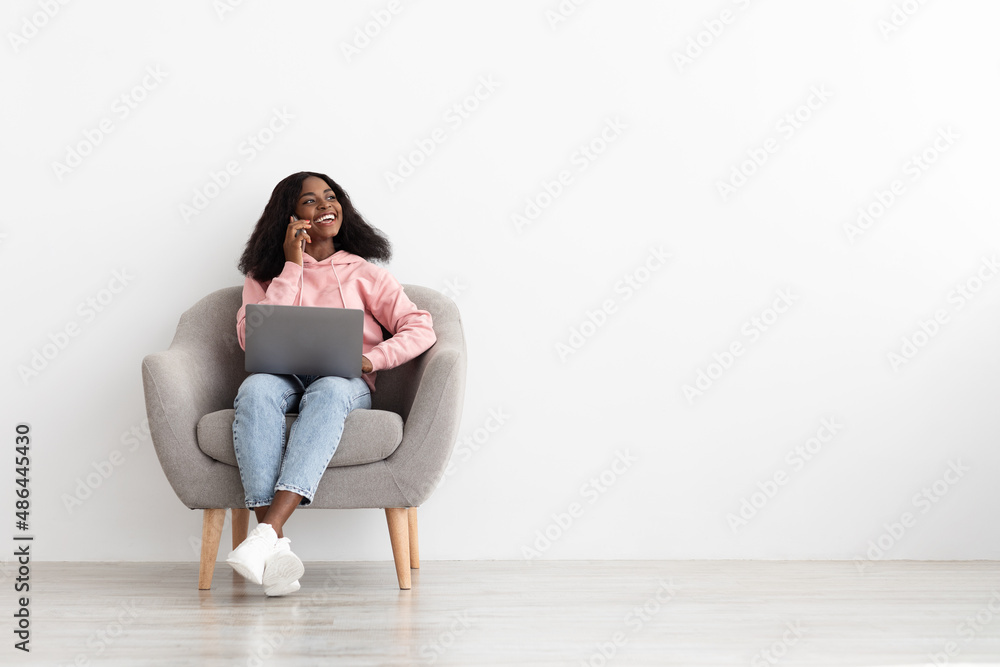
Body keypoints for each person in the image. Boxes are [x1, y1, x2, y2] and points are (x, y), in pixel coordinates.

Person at [225, 171, 436, 596]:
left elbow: (420, 327)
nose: (325, 205)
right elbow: (250, 337)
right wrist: (291, 266)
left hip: (343, 379)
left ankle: (263, 535)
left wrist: (371, 358)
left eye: (330, 196)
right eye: (309, 200)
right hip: (281, 374)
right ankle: (277, 550)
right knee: (254, 390)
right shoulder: (263, 275)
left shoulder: (364, 273)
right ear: (290, 217)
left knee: (328, 390)